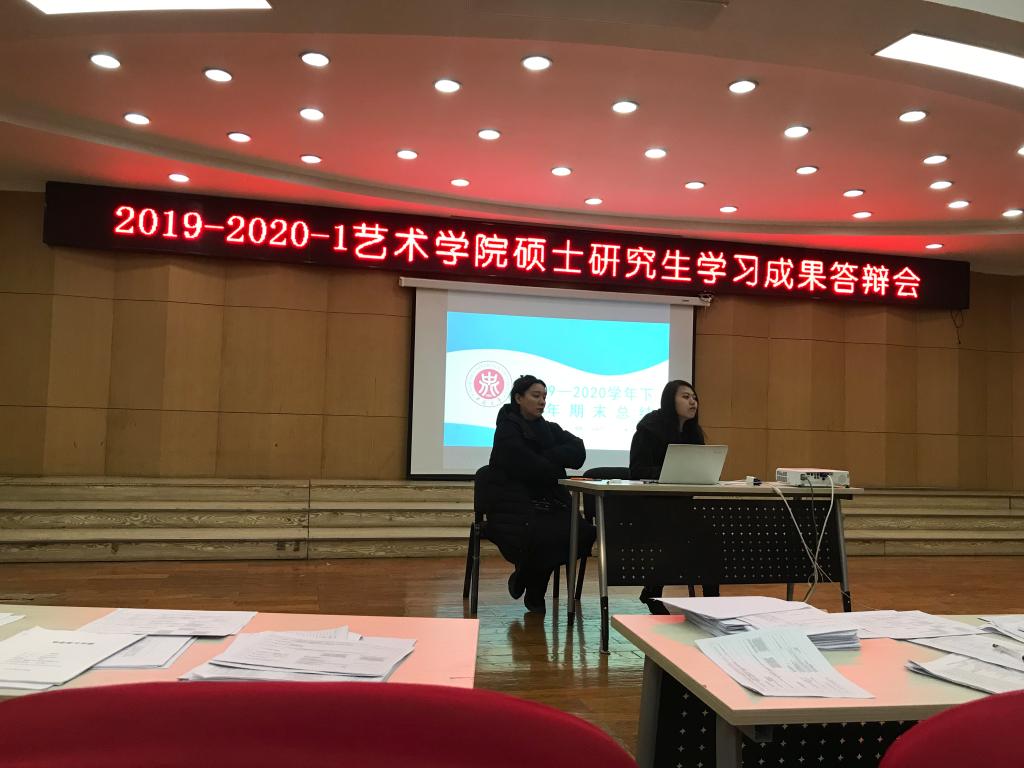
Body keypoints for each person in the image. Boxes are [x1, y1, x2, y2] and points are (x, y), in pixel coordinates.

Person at [477, 375, 596, 614]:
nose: (542, 401)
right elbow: (527, 466)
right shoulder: (507, 429)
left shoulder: (549, 428)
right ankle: (535, 589)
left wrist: (546, 455)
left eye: (544, 396)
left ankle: (524, 576)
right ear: (518, 398)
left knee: (582, 532)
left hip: (550, 503)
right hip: (512, 505)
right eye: (535, 395)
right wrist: (553, 459)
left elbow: (578, 452)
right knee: (542, 533)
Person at [629, 379, 720, 614]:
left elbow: (697, 470)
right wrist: (671, 472)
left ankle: (712, 602)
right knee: (676, 532)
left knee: (711, 535)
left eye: (695, 397)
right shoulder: (649, 429)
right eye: (686, 397)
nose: (693, 402)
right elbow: (637, 471)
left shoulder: (693, 432)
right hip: (649, 506)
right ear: (670, 400)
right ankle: (653, 591)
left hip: (681, 505)